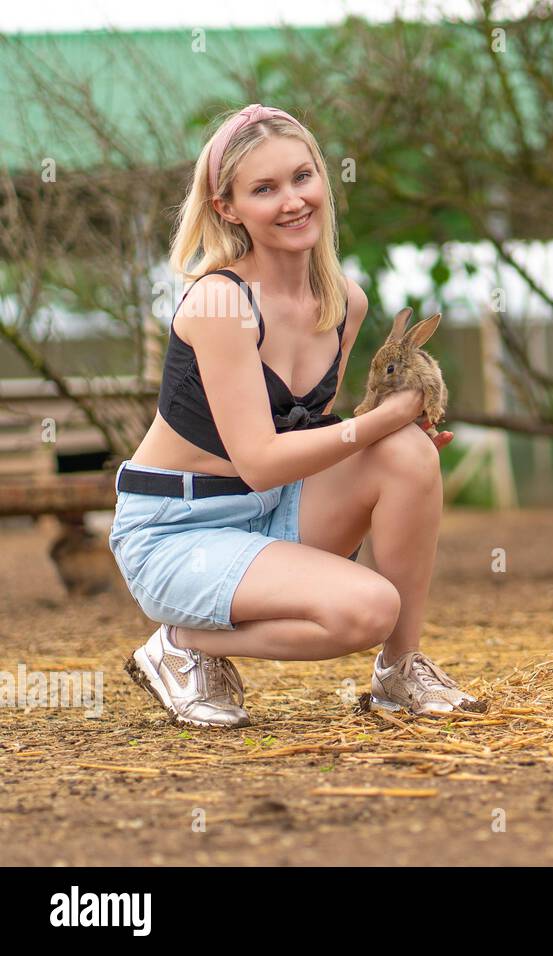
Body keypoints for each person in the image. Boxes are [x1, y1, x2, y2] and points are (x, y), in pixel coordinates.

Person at [109, 103, 484, 728]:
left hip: (271, 511)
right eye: (264, 189)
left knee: (408, 455)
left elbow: (308, 436)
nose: (292, 201)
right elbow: (258, 461)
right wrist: (376, 426)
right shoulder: (220, 301)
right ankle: (181, 645)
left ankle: (401, 673)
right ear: (227, 207)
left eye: (302, 177)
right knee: (365, 610)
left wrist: (391, 443)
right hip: (178, 531)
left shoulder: (345, 303)